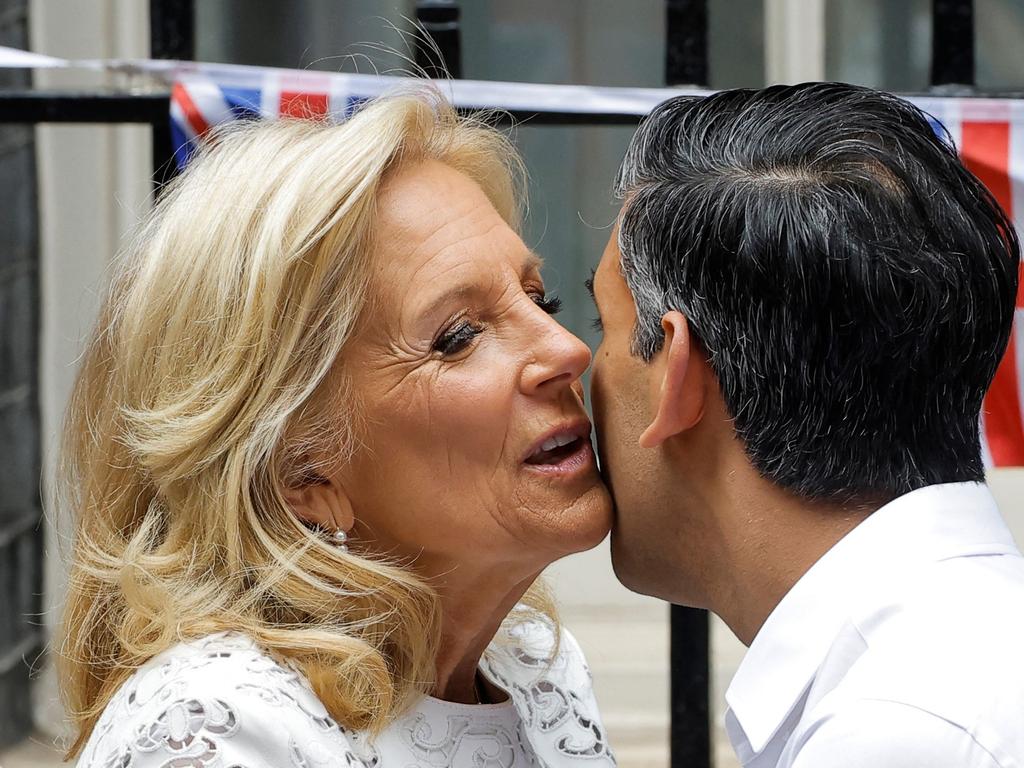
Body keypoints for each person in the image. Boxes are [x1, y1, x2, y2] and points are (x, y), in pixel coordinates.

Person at [58, 90, 615, 768]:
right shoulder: (219, 727)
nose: (565, 350)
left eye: (538, 298)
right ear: (301, 473)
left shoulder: (537, 670)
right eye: (458, 337)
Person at [589, 82, 1024, 767]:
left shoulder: (901, 729)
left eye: (600, 323)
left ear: (676, 372)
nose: (564, 363)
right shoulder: (960, 661)